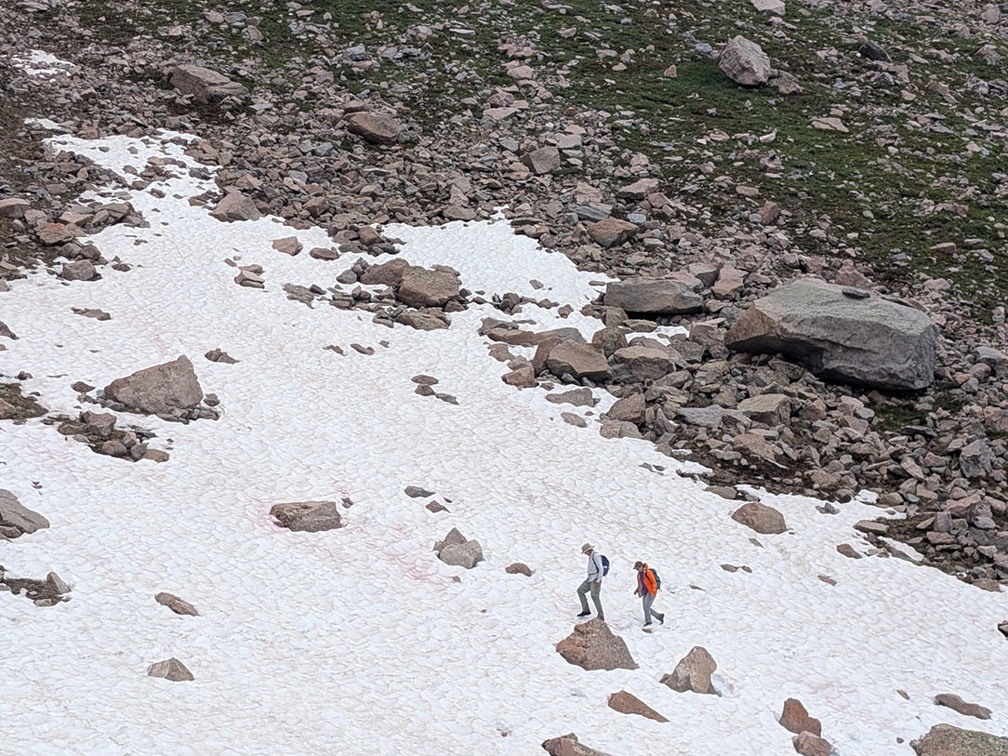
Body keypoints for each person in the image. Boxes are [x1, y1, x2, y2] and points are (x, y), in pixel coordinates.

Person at [576, 543, 604, 621]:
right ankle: (586, 610)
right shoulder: (592, 556)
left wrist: (598, 580)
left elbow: (601, 568)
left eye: (585, 552)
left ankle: (601, 616)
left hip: (595, 579)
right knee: (580, 591)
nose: (585, 554)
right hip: (590, 578)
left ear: (588, 550)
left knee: (595, 596)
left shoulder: (596, 556)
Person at [633, 561, 665, 627]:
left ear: (641, 566)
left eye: (637, 568)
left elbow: (654, 582)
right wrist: (637, 590)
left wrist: (653, 592)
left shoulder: (648, 572)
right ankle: (659, 616)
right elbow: (640, 584)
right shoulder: (639, 575)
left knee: (646, 607)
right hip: (645, 592)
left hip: (651, 592)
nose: (637, 570)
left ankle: (649, 622)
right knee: (646, 607)